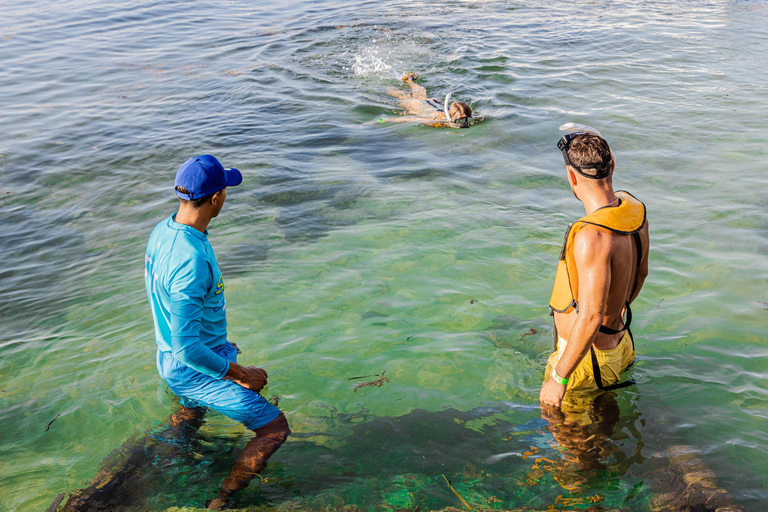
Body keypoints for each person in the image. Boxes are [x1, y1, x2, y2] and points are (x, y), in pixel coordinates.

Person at [144, 155, 291, 510]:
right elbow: (188, 348)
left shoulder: (164, 231)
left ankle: (175, 460)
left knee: (191, 416)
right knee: (275, 428)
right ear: (216, 199)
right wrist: (242, 374)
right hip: (192, 367)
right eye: (225, 188)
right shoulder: (190, 259)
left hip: (170, 359)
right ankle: (221, 501)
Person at [540, 125, 649, 409]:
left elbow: (590, 317)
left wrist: (559, 379)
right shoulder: (633, 209)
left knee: (567, 440)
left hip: (588, 362)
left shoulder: (592, 236)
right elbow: (642, 273)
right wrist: (615, 315)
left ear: (571, 177)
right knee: (601, 427)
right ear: (612, 165)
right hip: (620, 343)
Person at [378, 73, 484, 128]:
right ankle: (384, 85)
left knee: (421, 94)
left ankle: (411, 81)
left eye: (466, 119)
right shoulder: (436, 120)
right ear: (451, 118)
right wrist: (384, 120)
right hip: (420, 105)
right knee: (403, 96)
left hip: (435, 102)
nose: (464, 124)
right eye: (460, 121)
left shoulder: (468, 119)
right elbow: (410, 119)